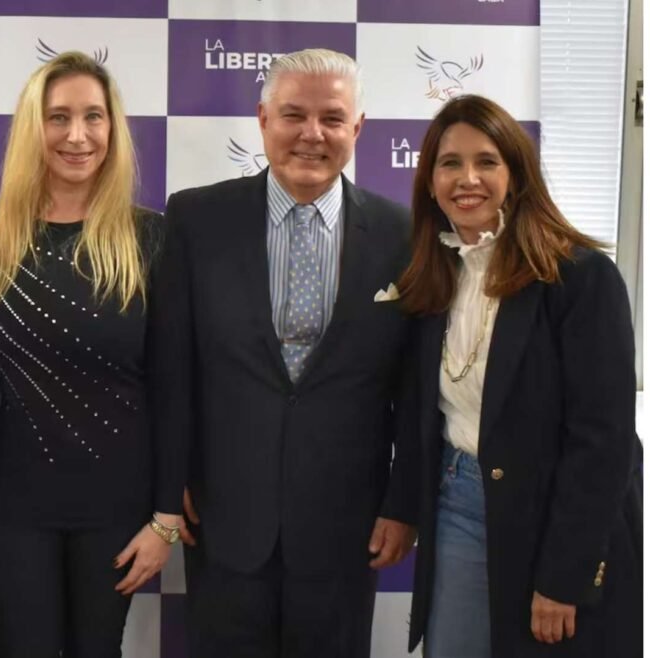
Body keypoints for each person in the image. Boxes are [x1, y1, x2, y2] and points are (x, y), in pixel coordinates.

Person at [149, 48, 419, 657]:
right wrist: (170, 490)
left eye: (331, 118)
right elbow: (173, 371)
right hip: (223, 518)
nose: (311, 134)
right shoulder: (196, 218)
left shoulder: (404, 234)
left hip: (348, 524)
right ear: (262, 118)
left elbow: (418, 386)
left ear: (358, 128)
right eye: (294, 115)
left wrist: (405, 503)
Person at [396, 93, 641, 657]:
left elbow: (602, 444)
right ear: (430, 181)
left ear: (517, 175)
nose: (468, 179)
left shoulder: (580, 279)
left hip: (555, 512)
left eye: (487, 162)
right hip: (458, 503)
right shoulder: (434, 275)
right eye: (449, 163)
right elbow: (422, 415)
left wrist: (564, 575)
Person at [0, 51, 180, 658]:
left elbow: (172, 388)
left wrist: (166, 518)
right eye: (58, 117)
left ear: (114, 129)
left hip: (115, 508)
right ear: (34, 128)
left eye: (93, 116)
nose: (77, 135)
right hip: (8, 508)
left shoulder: (150, 238)